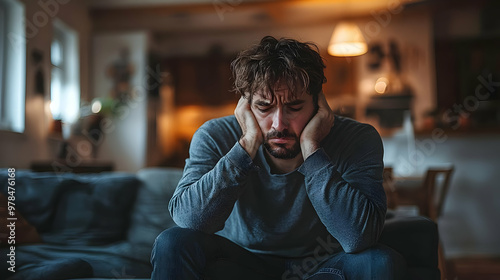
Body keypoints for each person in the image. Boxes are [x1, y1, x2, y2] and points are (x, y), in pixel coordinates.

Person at [151, 36, 407, 279]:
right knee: (172, 243)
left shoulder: (357, 138)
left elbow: (358, 238)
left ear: (319, 103)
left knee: (379, 261)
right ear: (245, 106)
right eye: (264, 107)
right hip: (241, 265)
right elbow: (190, 220)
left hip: (322, 267)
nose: (279, 123)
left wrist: (312, 148)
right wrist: (248, 143)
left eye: (295, 107)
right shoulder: (214, 135)